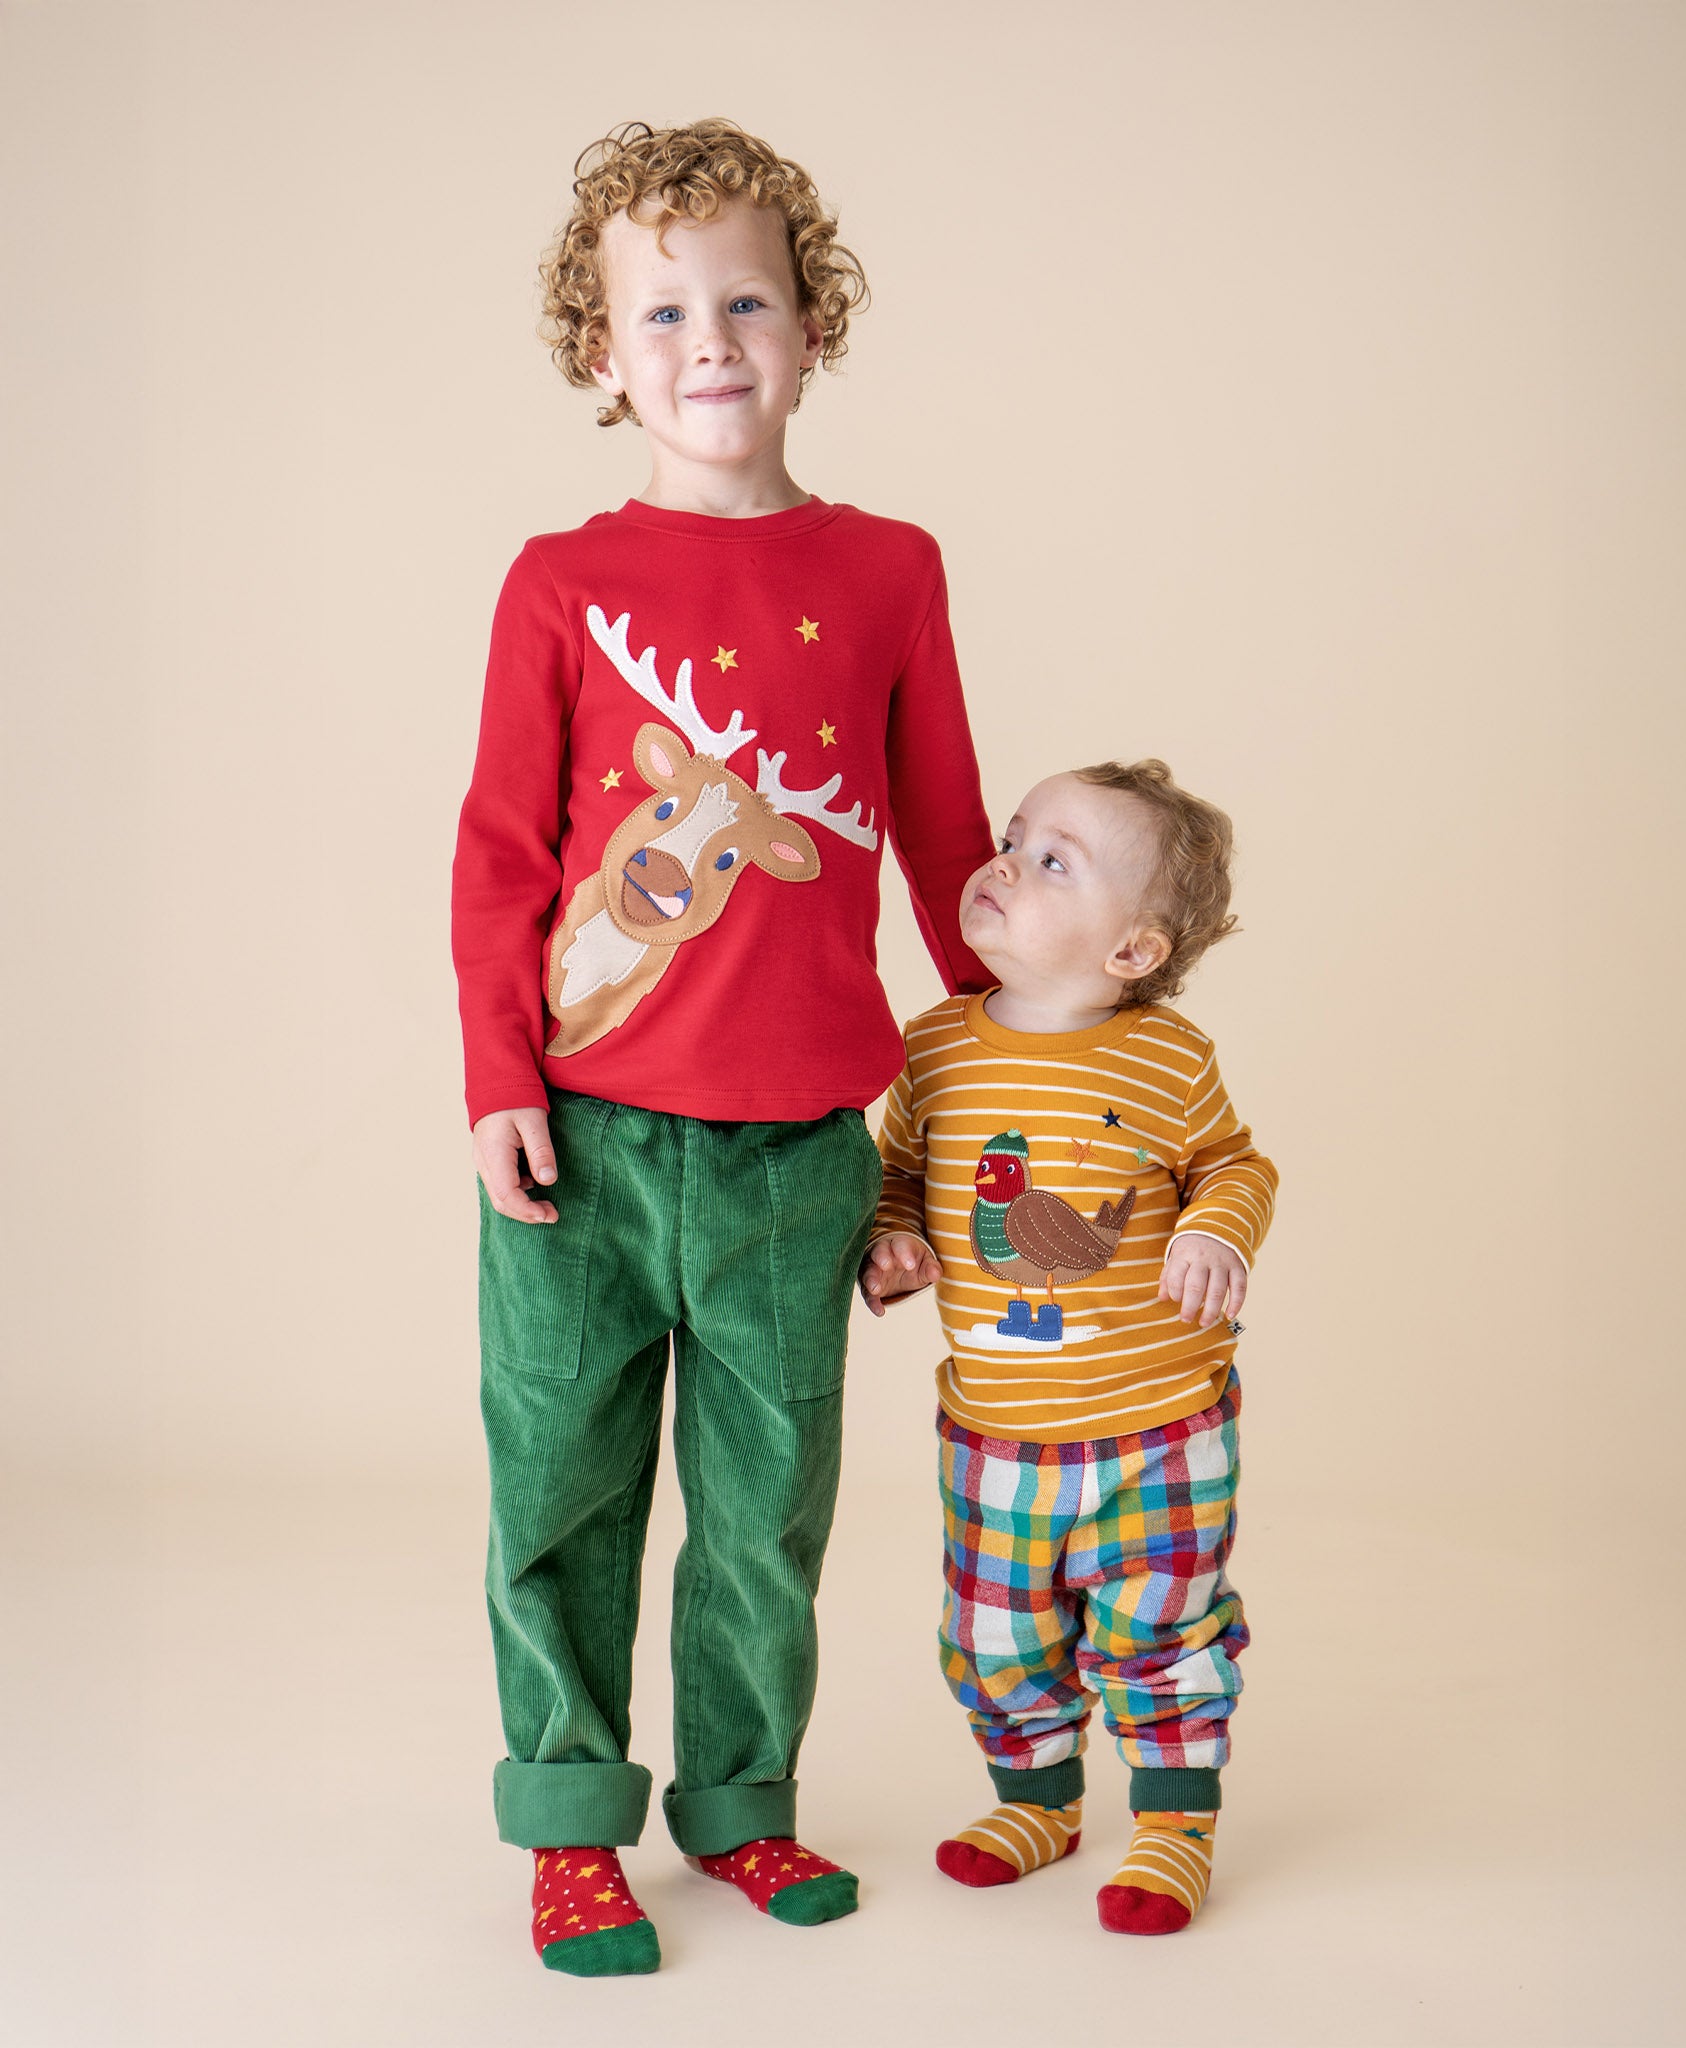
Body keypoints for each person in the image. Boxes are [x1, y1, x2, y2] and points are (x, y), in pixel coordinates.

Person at [450, 117, 993, 1976]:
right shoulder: (556, 578)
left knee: (765, 1512)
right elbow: (499, 860)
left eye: (746, 298)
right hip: (584, 1143)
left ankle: (744, 1808)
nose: (707, 340)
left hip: (795, 1150)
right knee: (563, 1489)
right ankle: (571, 1817)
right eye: (660, 310)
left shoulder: (896, 568)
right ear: (604, 358)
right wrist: (499, 1082)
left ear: (809, 327)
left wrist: (1022, 1056)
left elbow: (945, 847)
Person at [860, 760, 1277, 1934]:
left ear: (1132, 951)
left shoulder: (1163, 1058)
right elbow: (894, 1174)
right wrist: (892, 1241)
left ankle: (1171, 1823)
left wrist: (1213, 1228)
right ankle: (1037, 1799)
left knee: (1162, 1627)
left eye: (1053, 861)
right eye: (1011, 836)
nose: (1002, 862)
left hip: (1159, 1425)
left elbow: (1235, 1163)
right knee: (995, 1633)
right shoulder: (933, 1046)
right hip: (996, 1435)